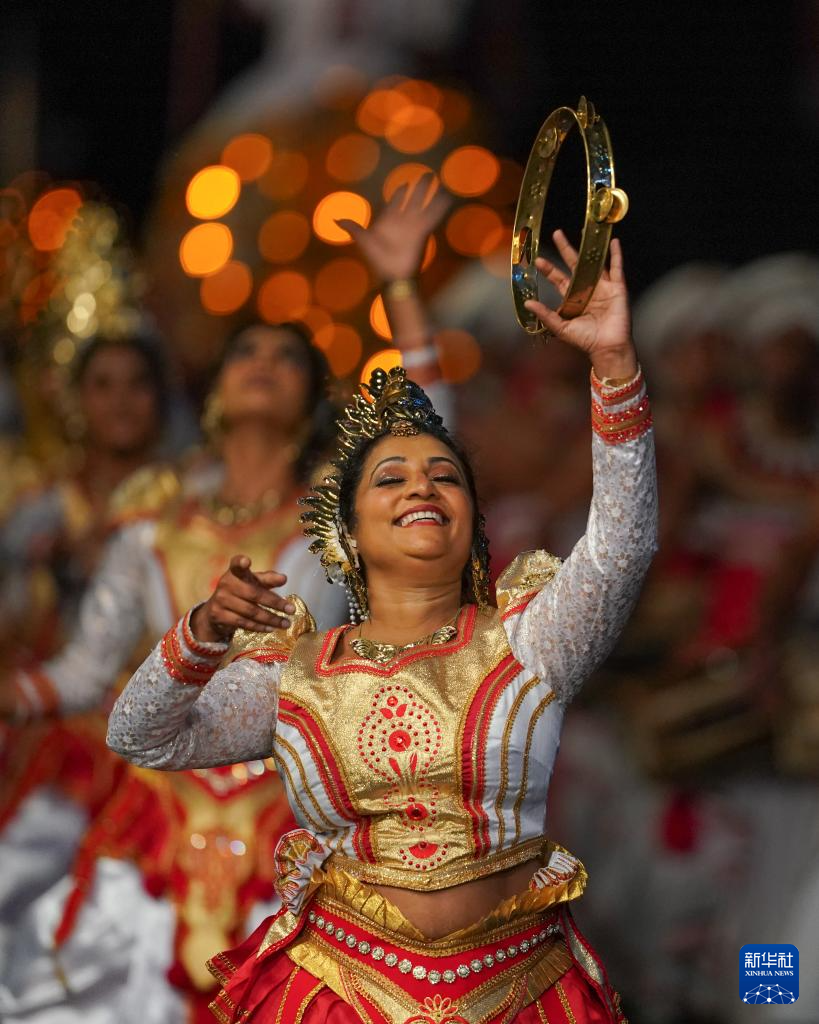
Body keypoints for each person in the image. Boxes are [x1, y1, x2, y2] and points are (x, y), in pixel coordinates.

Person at [108, 234, 658, 1023]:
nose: (420, 487)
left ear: (471, 521)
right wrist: (199, 633)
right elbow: (139, 736)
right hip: (336, 991)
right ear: (349, 533)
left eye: (445, 476)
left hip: (519, 991)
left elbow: (621, 546)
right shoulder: (293, 674)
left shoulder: (531, 640)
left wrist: (612, 365)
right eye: (390, 478)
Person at [0, 181, 448, 1024]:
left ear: (311, 399)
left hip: (295, 814)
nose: (263, 365)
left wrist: (399, 288)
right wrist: (16, 694)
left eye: (286, 358)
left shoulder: (350, 517)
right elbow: (89, 669)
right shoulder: (150, 519)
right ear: (214, 393)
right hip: (155, 815)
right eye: (246, 353)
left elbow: (432, 445)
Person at [0, 332, 166, 963]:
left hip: (157, 737)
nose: (120, 402)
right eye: (102, 385)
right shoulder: (38, 510)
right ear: (76, 401)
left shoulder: (188, 503)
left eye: (137, 384)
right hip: (51, 736)